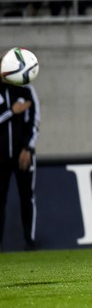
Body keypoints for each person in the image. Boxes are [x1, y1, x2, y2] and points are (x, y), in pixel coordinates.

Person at [0, 57, 40, 251]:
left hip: (22, 155)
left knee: (27, 196)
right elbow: (8, 115)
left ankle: (30, 241)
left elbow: (34, 121)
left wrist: (28, 148)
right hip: (0, 156)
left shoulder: (26, 90)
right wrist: (11, 111)